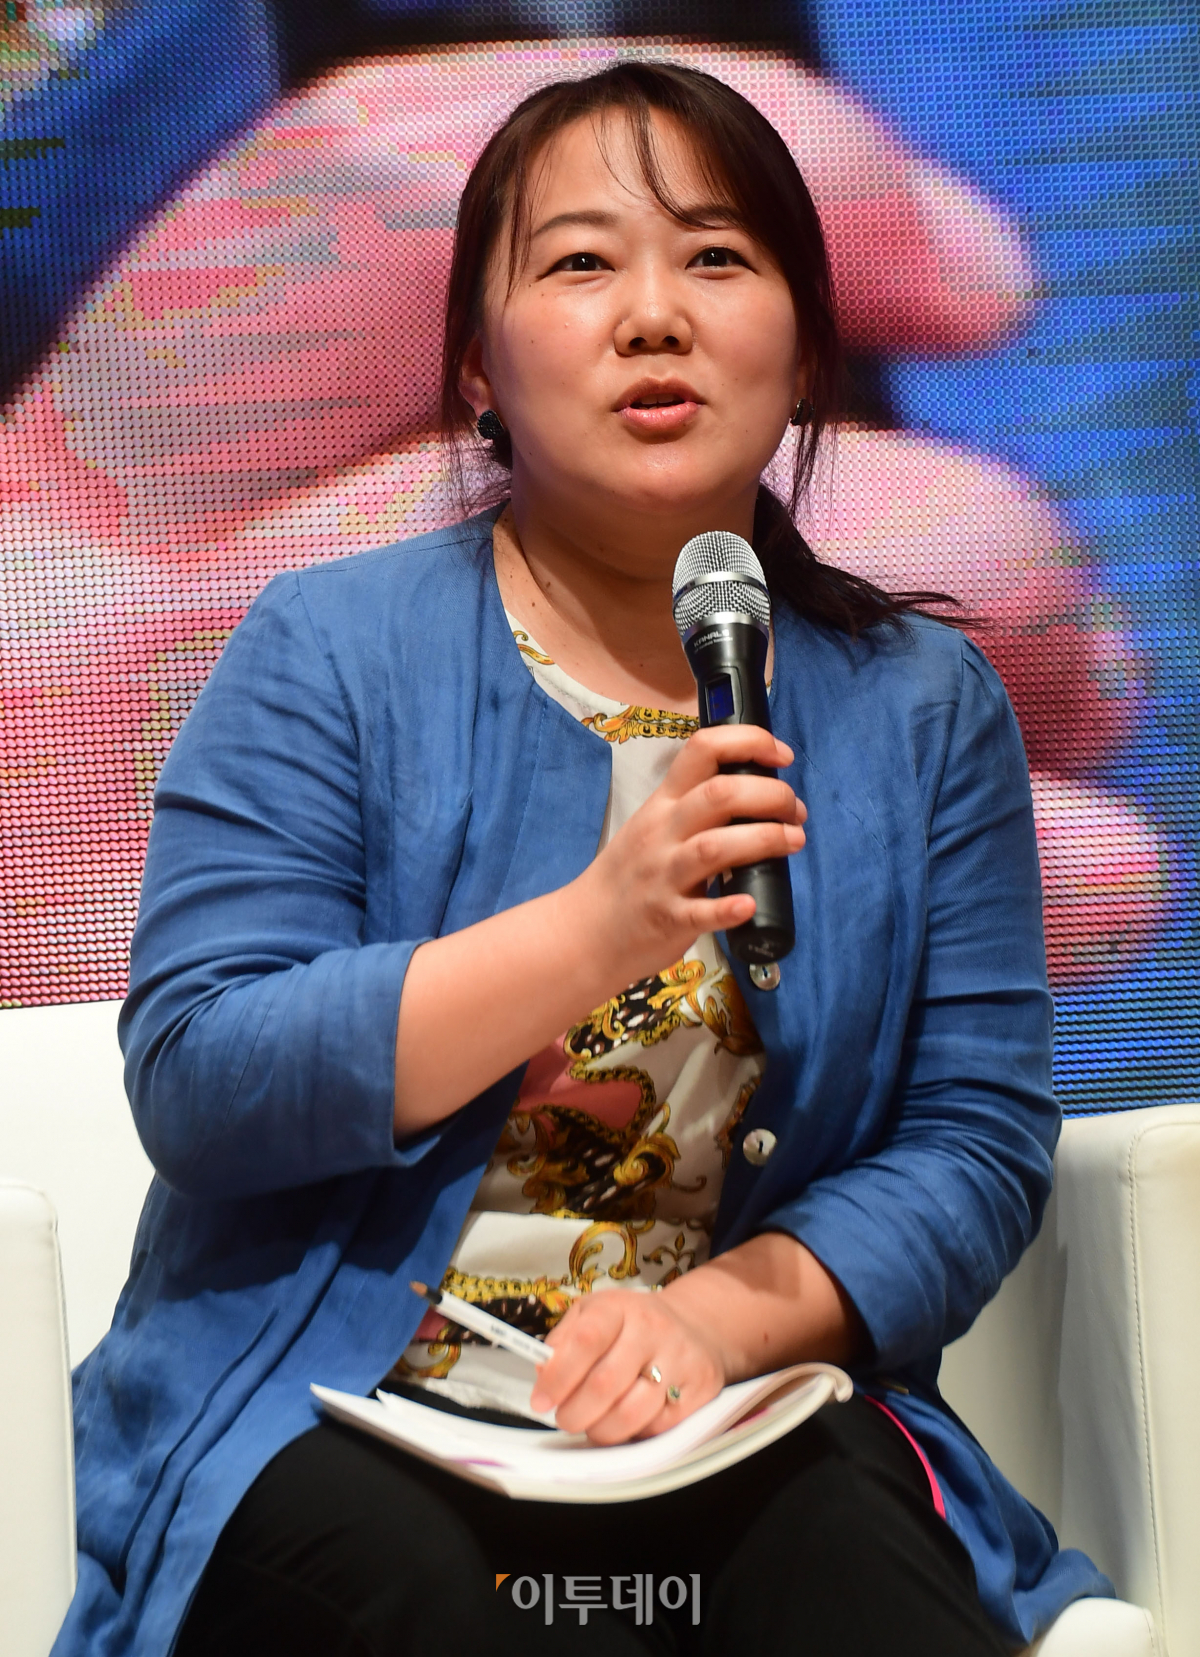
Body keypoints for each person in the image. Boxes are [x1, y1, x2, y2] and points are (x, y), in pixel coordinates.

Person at [56, 60, 1110, 1657]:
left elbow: (974, 1138)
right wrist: (593, 929)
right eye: (580, 262)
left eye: (716, 257)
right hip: (340, 1409)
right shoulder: (326, 647)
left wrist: (717, 1318)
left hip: (724, 1405)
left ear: (806, 349)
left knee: (870, 1595)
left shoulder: (922, 706)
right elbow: (204, 1076)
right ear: (477, 367)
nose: (654, 315)